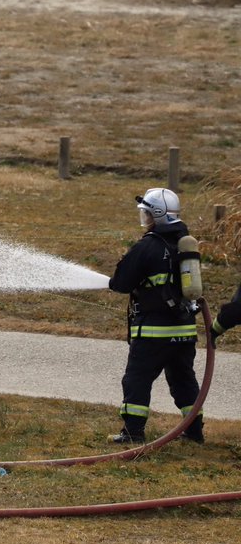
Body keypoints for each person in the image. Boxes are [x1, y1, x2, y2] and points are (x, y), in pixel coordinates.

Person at [107, 188, 204, 444]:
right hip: (184, 331)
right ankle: (195, 432)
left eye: (147, 214)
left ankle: (133, 432)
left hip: (153, 332)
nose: (145, 219)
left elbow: (121, 283)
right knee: (184, 381)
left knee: (137, 380)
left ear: (157, 215)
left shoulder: (148, 246)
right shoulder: (185, 244)